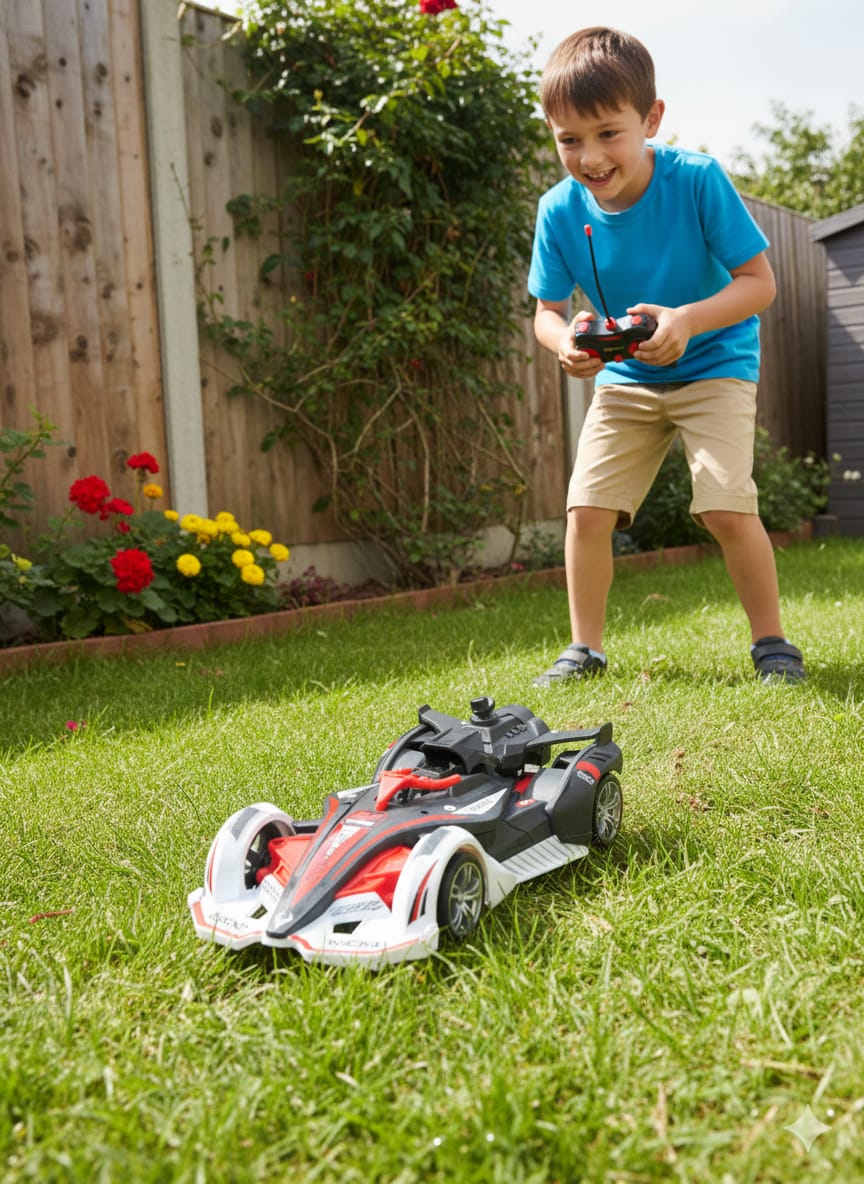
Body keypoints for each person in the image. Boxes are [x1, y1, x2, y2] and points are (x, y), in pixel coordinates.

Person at [528, 26, 806, 687]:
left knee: (724, 506)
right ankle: (585, 650)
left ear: (651, 119)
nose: (590, 156)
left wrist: (687, 321)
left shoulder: (697, 180)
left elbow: (759, 284)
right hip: (625, 378)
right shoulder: (557, 211)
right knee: (588, 509)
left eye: (608, 133)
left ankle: (772, 643)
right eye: (569, 139)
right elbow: (546, 312)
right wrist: (567, 342)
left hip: (715, 364)